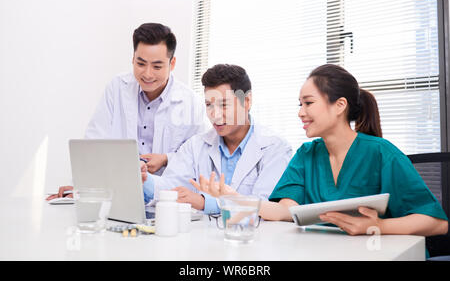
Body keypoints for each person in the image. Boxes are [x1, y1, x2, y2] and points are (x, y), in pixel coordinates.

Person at [192, 64, 448, 236]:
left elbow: (437, 223)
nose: (300, 112)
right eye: (300, 104)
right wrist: (234, 197)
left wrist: (379, 225)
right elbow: (284, 211)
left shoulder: (382, 154)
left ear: (339, 106)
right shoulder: (307, 154)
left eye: (309, 103)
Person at [47, 23, 207, 200]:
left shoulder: (190, 102)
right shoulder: (117, 88)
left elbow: (199, 158)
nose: (147, 74)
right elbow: (94, 144)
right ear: (133, 59)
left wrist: (166, 158)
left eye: (157, 66)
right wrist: (83, 188)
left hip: (166, 200)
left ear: (172, 63)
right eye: (141, 63)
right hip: (117, 194)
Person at [142, 64, 292, 213]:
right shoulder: (195, 145)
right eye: (209, 105)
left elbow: (266, 208)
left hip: (250, 236)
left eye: (224, 105)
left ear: (246, 101)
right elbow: (171, 188)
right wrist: (143, 179)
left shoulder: (275, 148)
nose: (215, 114)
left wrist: (205, 203)